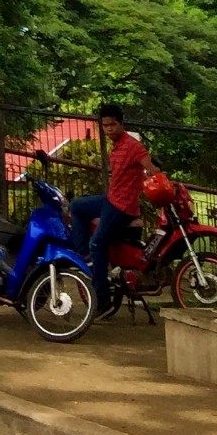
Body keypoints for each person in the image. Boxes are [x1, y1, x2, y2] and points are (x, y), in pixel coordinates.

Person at [70, 103, 155, 318]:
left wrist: (156, 176)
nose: (108, 129)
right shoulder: (115, 147)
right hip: (110, 200)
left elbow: (149, 165)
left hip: (122, 207)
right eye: (105, 125)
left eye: (112, 125)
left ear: (121, 124)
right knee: (76, 206)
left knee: (98, 242)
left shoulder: (133, 146)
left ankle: (103, 301)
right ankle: (85, 257)